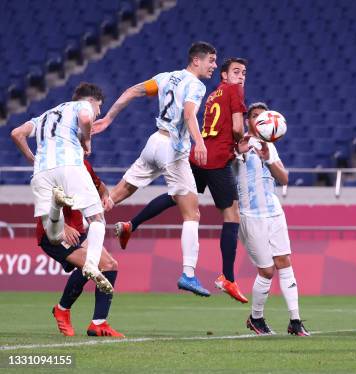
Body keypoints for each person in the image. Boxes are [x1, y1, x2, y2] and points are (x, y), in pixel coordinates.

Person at [110, 57, 250, 303]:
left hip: (169, 146)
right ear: (224, 76)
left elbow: (134, 90)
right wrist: (241, 141)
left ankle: (128, 224)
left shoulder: (212, 93)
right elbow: (234, 127)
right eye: (235, 72)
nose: (241, 77)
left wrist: (108, 118)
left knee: (175, 196)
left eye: (244, 73)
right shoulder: (217, 89)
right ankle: (224, 277)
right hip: (207, 156)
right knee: (228, 215)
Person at [92, 41, 217, 297]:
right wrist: (200, 142)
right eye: (211, 61)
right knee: (192, 214)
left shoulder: (165, 77)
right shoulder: (196, 85)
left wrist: (109, 118)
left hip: (153, 143)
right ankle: (189, 274)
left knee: (119, 192)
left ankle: (85, 227)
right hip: (173, 149)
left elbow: (132, 91)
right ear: (196, 60)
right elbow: (190, 114)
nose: (214, 66)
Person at [11, 82, 112, 293]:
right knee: (97, 218)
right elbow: (85, 119)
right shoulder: (81, 107)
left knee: (54, 235)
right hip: (69, 165)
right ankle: (92, 265)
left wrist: (33, 158)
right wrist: (87, 141)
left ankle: (57, 205)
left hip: (41, 172)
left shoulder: (45, 115)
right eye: (99, 107)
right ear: (90, 100)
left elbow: (16, 133)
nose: (98, 112)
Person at [237, 102, 309, 336]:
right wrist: (239, 149)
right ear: (248, 121)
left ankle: (295, 320)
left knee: (285, 261)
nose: (259, 120)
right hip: (251, 215)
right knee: (267, 271)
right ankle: (256, 318)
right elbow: (230, 158)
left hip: (274, 211)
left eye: (262, 116)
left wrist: (268, 158)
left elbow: (285, 178)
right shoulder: (239, 145)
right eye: (254, 116)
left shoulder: (269, 145)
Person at [40, 160, 124, 337]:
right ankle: (62, 310)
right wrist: (62, 227)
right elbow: (43, 201)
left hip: (78, 231)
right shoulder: (52, 165)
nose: (87, 147)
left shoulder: (84, 164)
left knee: (109, 265)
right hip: (54, 231)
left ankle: (98, 323)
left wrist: (105, 196)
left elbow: (100, 186)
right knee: (89, 264)